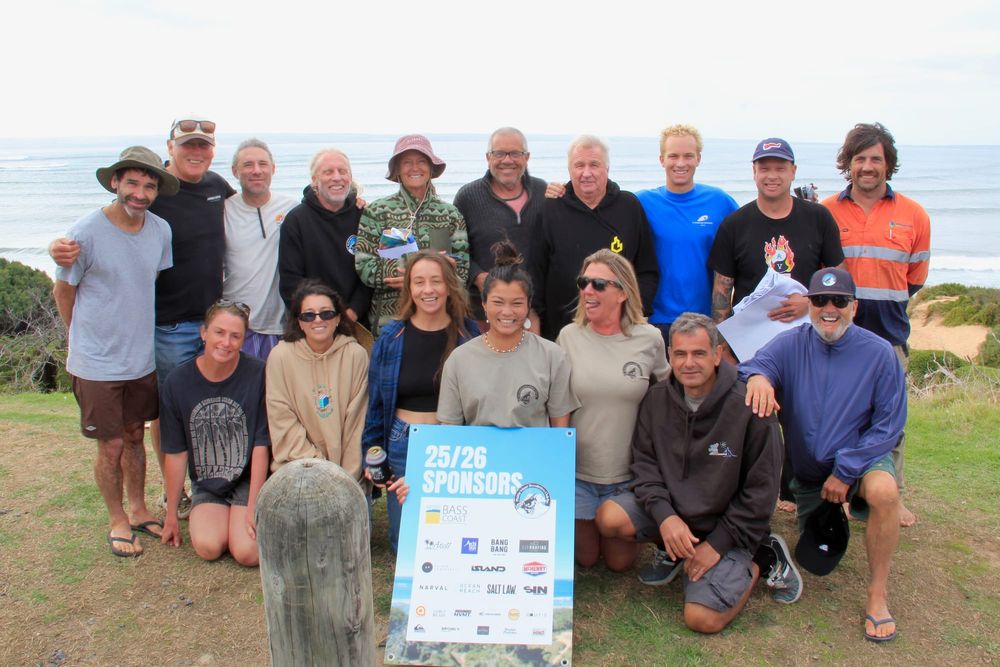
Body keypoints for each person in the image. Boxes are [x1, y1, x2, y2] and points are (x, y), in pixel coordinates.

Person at [51, 116, 236, 518]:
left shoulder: (213, 190)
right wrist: (79, 334)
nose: (196, 151)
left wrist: (354, 197)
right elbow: (74, 274)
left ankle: (203, 489)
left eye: (204, 146)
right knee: (167, 417)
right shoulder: (129, 207)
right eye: (188, 144)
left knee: (201, 412)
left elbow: (144, 272)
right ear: (170, 147)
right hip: (164, 330)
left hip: (205, 324)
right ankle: (172, 495)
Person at [595, 313, 797, 634]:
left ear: (717, 355)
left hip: (730, 529)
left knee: (701, 619)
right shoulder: (656, 400)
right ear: (669, 356)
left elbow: (762, 492)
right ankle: (676, 550)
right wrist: (665, 517)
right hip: (677, 516)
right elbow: (645, 467)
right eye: (680, 354)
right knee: (609, 516)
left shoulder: (751, 406)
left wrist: (717, 545)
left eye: (699, 353)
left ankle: (762, 557)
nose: (689, 363)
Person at [741, 268, 906, 642]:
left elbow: (889, 425)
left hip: (860, 460)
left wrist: (847, 470)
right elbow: (752, 366)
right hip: (810, 472)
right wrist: (758, 378)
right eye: (819, 301)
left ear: (854, 306)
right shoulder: (791, 343)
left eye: (839, 301)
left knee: (885, 492)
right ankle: (824, 509)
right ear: (809, 305)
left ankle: (877, 595)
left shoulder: (879, 354)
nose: (829, 308)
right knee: (815, 558)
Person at [53, 146, 178, 557]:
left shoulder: (160, 231)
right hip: (96, 362)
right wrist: (82, 338)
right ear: (115, 183)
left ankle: (140, 508)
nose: (140, 192)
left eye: (148, 185)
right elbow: (64, 288)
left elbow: (141, 284)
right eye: (132, 183)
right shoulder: (86, 232)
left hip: (139, 358)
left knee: (133, 438)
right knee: (108, 445)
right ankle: (117, 518)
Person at [823, 122, 930, 528]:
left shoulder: (913, 214)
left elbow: (915, 278)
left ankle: (892, 495)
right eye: (860, 159)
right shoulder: (828, 211)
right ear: (848, 165)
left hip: (888, 337)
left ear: (888, 165)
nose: (867, 166)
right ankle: (836, 491)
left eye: (876, 159)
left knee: (891, 419)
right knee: (837, 414)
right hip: (838, 335)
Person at [555, 250, 668, 569]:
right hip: (578, 473)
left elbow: (670, 393)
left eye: (599, 284)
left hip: (628, 476)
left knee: (620, 564)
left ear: (622, 292)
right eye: (583, 282)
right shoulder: (568, 337)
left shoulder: (650, 338)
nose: (588, 290)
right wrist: (557, 460)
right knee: (587, 559)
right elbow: (558, 402)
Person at [362, 251, 479, 553]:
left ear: (449, 285)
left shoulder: (469, 334)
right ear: (409, 289)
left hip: (454, 442)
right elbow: (376, 403)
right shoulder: (390, 337)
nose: (428, 290)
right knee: (407, 545)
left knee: (458, 534)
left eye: (436, 281)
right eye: (419, 282)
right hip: (404, 442)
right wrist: (371, 453)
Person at [159, 300, 270, 567]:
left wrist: (254, 504)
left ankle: (243, 514)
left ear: (243, 340)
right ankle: (217, 516)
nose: (226, 342)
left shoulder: (258, 374)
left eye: (235, 336)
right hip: (208, 482)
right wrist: (172, 514)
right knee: (208, 547)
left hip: (246, 479)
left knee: (247, 554)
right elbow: (176, 453)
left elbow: (260, 444)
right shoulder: (177, 382)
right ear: (203, 333)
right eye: (219, 332)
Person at [438, 240, 579, 427]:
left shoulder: (552, 356)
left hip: (533, 456)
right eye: (497, 302)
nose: (506, 312)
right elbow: (450, 431)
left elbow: (560, 433)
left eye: (517, 303)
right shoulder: (459, 359)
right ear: (484, 304)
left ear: (529, 306)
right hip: (480, 455)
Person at [530, 135, 658, 340]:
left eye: (594, 165)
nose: (586, 173)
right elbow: (535, 274)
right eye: (579, 165)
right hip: (563, 330)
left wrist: (634, 315)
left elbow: (647, 270)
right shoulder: (551, 208)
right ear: (569, 170)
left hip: (620, 330)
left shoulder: (629, 206)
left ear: (607, 169)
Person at [708, 137, 844, 330]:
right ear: (754, 172)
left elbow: (838, 280)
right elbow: (721, 298)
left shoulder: (818, 217)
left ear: (793, 172)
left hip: (807, 338)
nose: (772, 176)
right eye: (764, 169)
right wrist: (723, 347)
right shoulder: (734, 225)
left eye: (780, 168)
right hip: (750, 341)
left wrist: (811, 302)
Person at [354, 135, 469, 336]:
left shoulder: (450, 214)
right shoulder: (378, 212)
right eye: (407, 162)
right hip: (389, 324)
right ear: (397, 169)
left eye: (421, 161)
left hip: (442, 323)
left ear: (431, 168)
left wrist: (424, 279)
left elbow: (462, 271)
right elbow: (364, 265)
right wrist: (412, 275)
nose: (414, 168)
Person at [635, 125, 739, 341]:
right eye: (673, 156)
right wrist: (561, 192)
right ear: (662, 159)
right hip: (655, 321)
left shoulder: (719, 201)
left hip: (705, 319)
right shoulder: (642, 202)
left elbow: (749, 234)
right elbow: (603, 208)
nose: (680, 163)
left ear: (698, 158)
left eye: (688, 156)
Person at [266, 280, 369, 479]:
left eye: (326, 313)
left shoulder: (356, 355)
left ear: (339, 318)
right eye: (309, 315)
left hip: (347, 475)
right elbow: (282, 420)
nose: (318, 320)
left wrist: (346, 478)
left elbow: (357, 424)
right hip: (297, 472)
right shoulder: (280, 357)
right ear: (299, 321)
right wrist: (318, 470)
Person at [454, 127, 547, 326]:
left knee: (531, 358)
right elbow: (456, 251)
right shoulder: (467, 197)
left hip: (532, 310)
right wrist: (478, 277)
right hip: (482, 312)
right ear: (488, 157)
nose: (507, 160)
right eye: (499, 153)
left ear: (527, 157)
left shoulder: (544, 193)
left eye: (515, 153)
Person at [278, 148, 373, 329]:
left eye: (342, 171)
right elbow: (290, 282)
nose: (337, 177)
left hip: (357, 322)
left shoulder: (364, 216)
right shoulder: (296, 220)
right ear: (315, 180)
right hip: (312, 324)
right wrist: (324, 316)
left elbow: (369, 275)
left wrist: (352, 312)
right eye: (328, 172)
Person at [223, 138, 298, 359]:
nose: (256, 171)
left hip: (281, 327)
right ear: (235, 171)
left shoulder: (292, 209)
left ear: (273, 169)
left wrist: (357, 200)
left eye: (263, 164)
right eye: (248, 165)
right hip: (236, 327)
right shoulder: (222, 211)